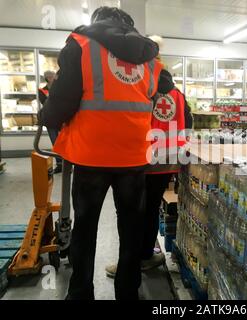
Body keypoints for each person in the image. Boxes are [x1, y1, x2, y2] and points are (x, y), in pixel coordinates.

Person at [38, 6, 162, 300]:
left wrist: (47, 118)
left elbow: (63, 100)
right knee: (131, 227)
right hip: (133, 157)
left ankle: (81, 292)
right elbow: (153, 95)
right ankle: (127, 292)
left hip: (91, 155)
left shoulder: (81, 45)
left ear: (98, 23)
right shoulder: (149, 57)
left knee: (85, 227)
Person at [105, 69, 193, 277]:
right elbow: (188, 122)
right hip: (168, 159)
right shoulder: (178, 95)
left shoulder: (143, 92)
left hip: (143, 158)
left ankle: (130, 263)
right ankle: (145, 256)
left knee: (132, 211)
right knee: (152, 208)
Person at [39, 70, 62, 173]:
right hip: (50, 120)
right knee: (55, 143)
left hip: (61, 120)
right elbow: (45, 103)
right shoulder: (42, 91)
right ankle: (60, 164)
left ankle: (66, 164)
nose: (56, 78)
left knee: (63, 142)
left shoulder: (60, 88)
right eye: (54, 76)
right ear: (48, 78)